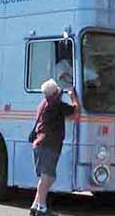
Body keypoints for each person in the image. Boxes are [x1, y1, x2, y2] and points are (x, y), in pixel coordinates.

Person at [30, 79, 80, 216]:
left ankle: (36, 205)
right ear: (54, 93)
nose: (60, 91)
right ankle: (41, 208)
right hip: (48, 145)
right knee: (48, 177)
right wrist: (73, 96)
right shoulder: (57, 105)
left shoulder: (44, 104)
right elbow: (76, 111)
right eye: (58, 90)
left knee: (47, 177)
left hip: (40, 143)